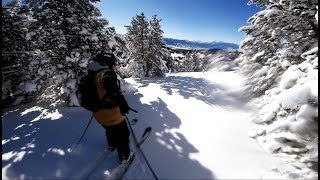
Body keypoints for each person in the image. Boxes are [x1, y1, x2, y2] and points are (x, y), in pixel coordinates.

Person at [88, 51, 132, 164]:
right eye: (113, 63)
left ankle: (112, 145)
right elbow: (113, 91)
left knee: (109, 128)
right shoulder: (106, 73)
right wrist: (123, 105)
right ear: (108, 63)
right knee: (123, 134)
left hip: (99, 113)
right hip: (112, 112)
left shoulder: (92, 72)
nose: (114, 65)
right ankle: (124, 157)